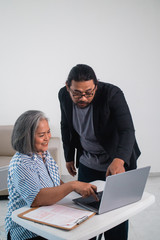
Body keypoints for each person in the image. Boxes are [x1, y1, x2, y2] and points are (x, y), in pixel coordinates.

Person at [58, 64, 141, 240]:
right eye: (77, 93)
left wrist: (119, 160)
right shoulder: (63, 95)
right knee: (85, 215)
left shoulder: (112, 94)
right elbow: (65, 125)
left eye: (89, 92)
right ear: (67, 87)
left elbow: (127, 130)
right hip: (88, 160)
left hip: (115, 161)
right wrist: (68, 156)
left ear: (96, 84)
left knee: (116, 216)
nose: (83, 98)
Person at [5, 110, 98, 240]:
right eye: (41, 135)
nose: (47, 138)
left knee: (88, 231)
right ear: (27, 136)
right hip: (28, 231)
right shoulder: (21, 163)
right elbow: (37, 199)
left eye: (48, 132)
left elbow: (55, 181)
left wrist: (76, 190)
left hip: (48, 216)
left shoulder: (43, 154)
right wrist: (73, 185)